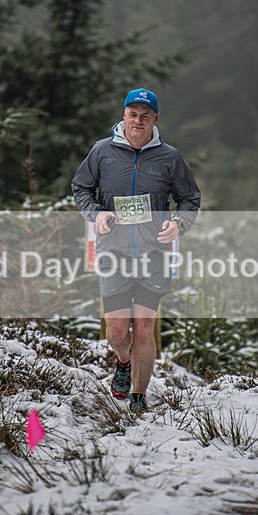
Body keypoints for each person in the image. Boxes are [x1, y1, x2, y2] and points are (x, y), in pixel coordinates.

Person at [71, 88, 201, 415]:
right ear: (124, 115)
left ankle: (139, 398)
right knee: (117, 330)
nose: (138, 120)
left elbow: (190, 199)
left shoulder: (170, 157)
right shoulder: (102, 151)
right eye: (133, 114)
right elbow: (81, 187)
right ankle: (123, 361)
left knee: (143, 328)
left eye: (145, 115)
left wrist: (178, 224)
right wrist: (96, 213)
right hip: (113, 252)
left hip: (154, 254)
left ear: (156, 119)